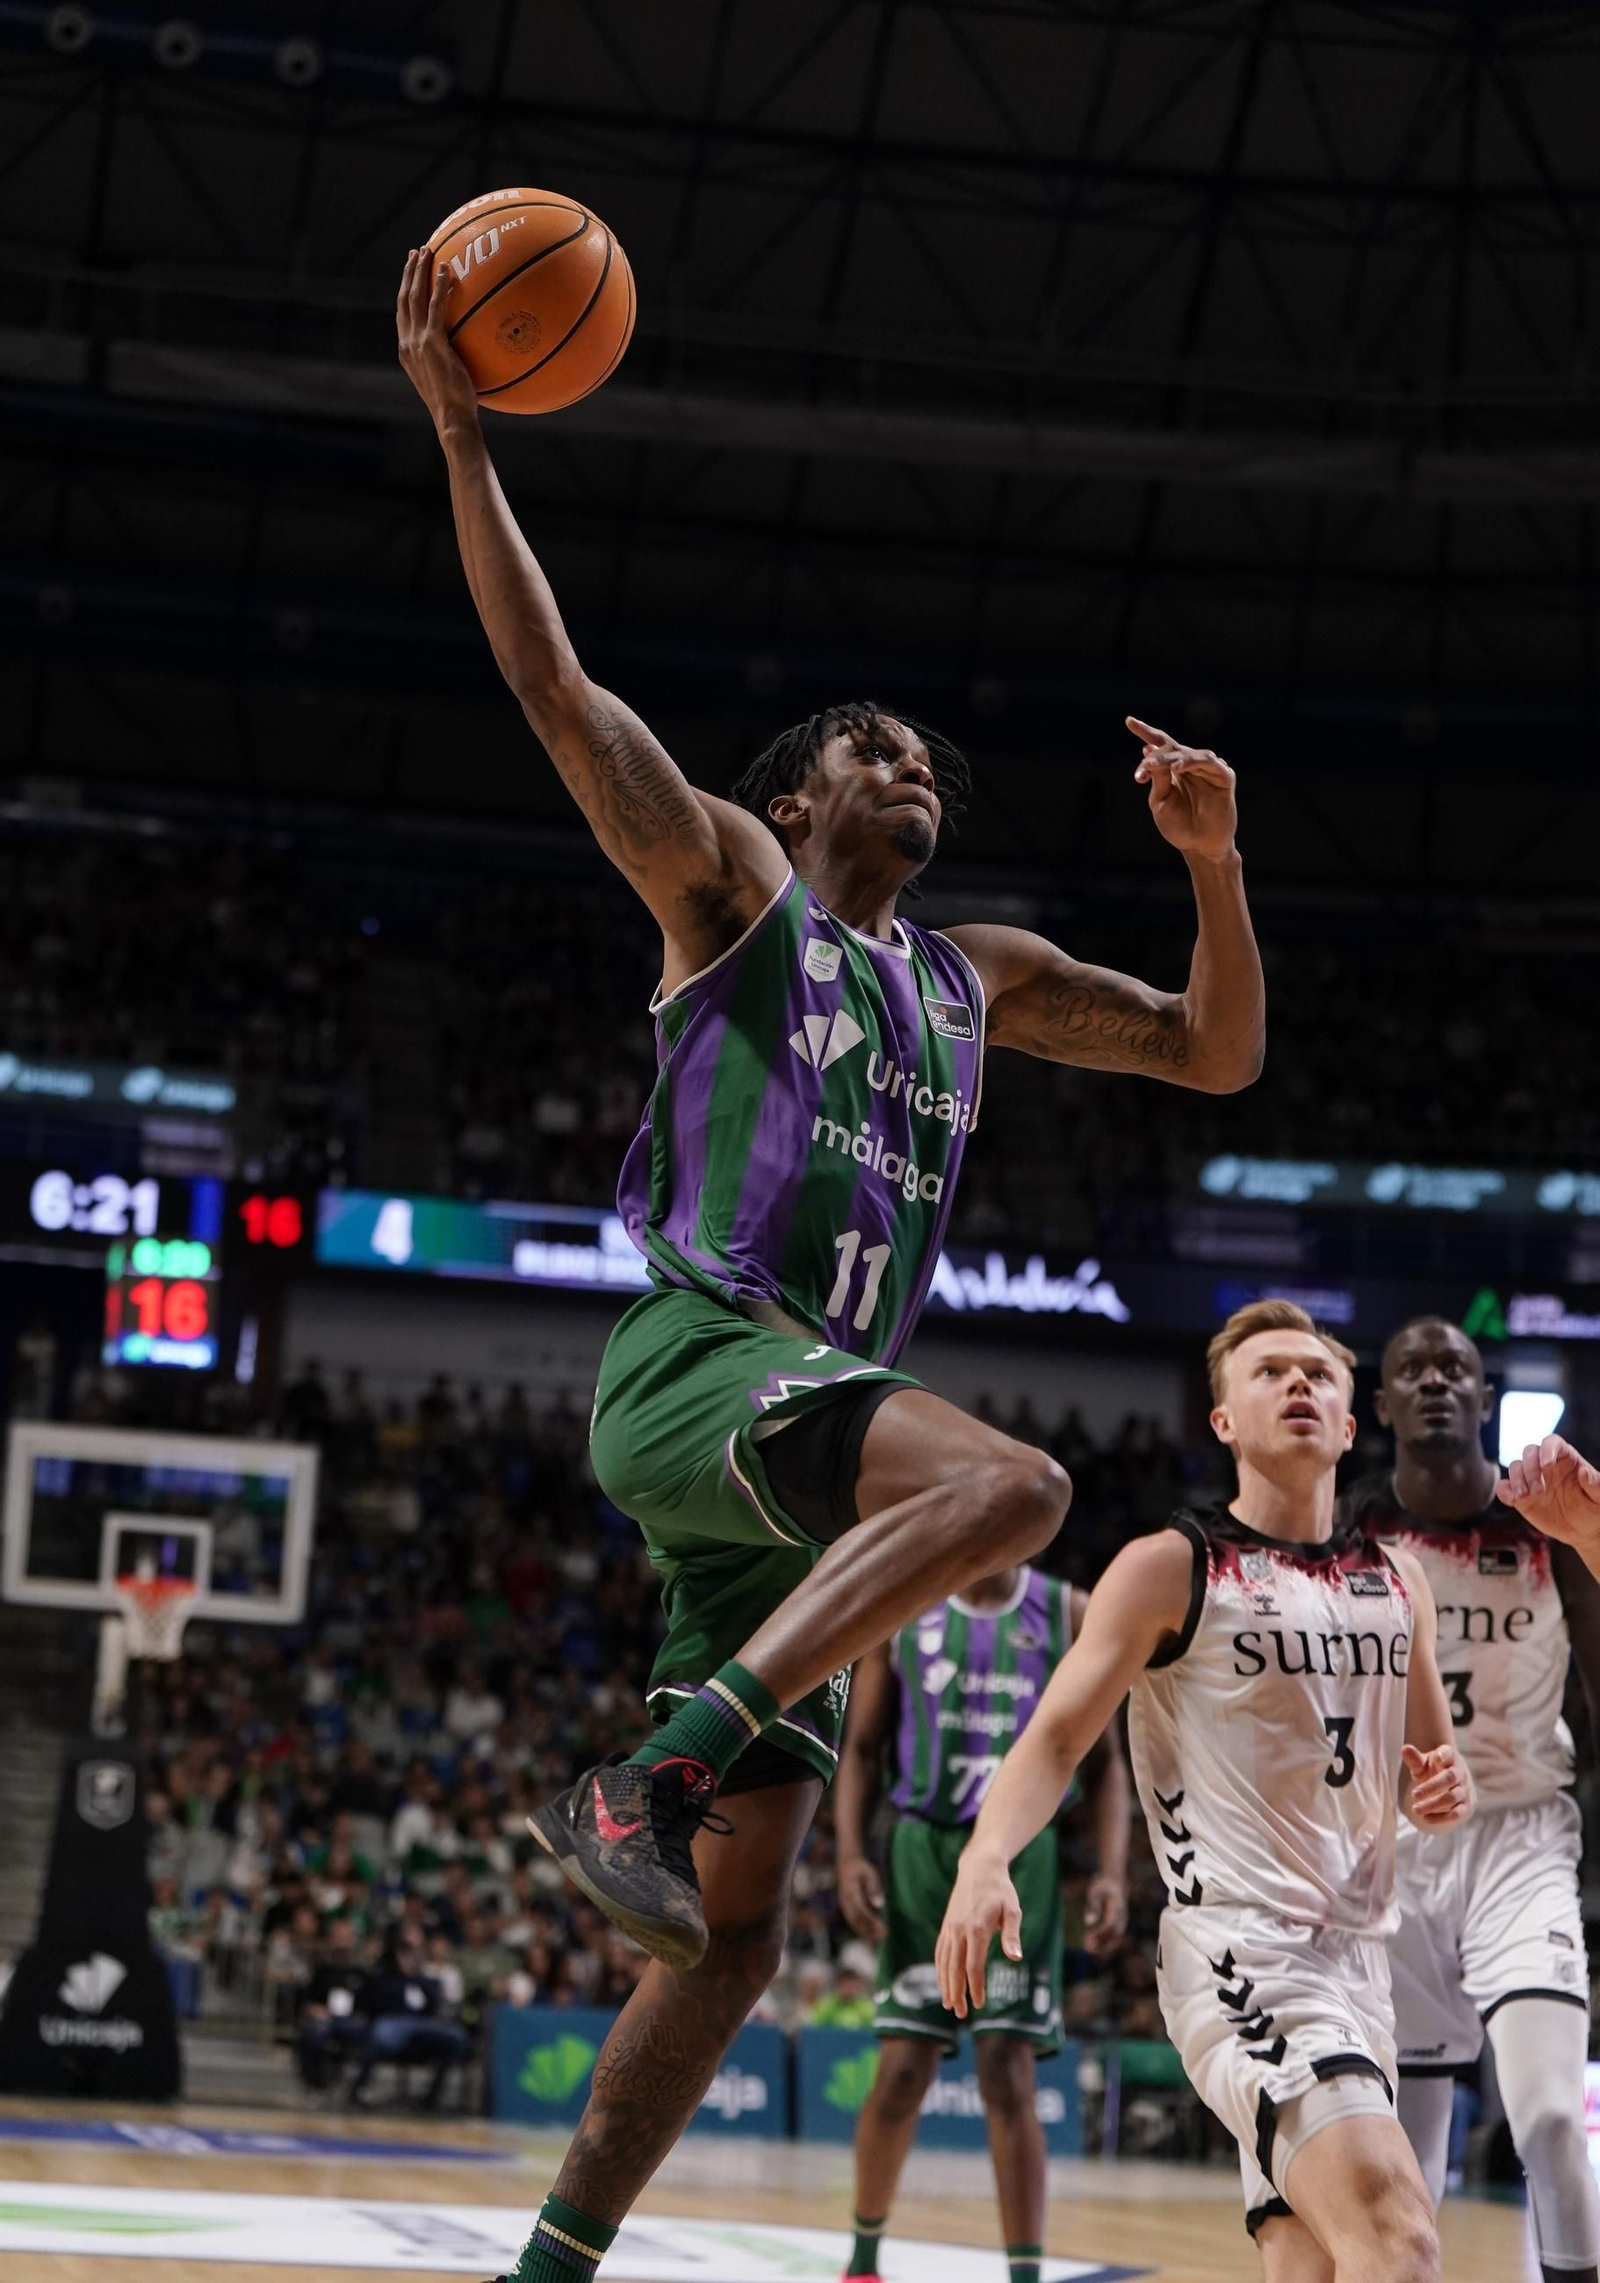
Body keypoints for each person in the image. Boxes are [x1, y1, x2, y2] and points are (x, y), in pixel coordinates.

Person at [397, 247, 1264, 2283]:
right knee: (1014, 1489)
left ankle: (549, 2264)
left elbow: (1213, 1051)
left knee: (738, 1925)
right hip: (703, 1356)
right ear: (795, 796)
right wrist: (461, 434)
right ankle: (656, 1754)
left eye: (929, 764)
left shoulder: (977, 980)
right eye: (878, 753)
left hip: (788, 1476)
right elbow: (550, 689)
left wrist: (1211, 865)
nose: (918, 772)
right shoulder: (729, 885)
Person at [937, 1301, 1471, 2283]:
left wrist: (1440, 1792)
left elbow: (1431, 1771)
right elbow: (1056, 1736)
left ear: (1352, 1425)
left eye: (1317, 1372)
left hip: (1362, 1964)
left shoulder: (1399, 1582)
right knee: (1399, 2237)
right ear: (1221, 1420)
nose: (1298, 1383)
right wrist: (984, 1858)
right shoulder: (1169, 1569)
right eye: (1268, 1372)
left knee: (1314, 2265)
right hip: (1240, 1953)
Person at [1346, 1321, 1600, 2283]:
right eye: (1411, 1368)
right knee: (1412, 2165)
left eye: (1456, 1368)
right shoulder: (1349, 1525)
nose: (1436, 1382)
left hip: (1522, 1834)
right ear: (1383, 1404)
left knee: (1543, 2116)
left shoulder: (1546, 1517)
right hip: (1398, 1843)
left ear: (1486, 1396)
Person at [834, 1564, 1129, 2283]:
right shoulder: (907, 1607)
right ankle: (863, 2259)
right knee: (903, 2066)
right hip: (921, 1850)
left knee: (1007, 2067)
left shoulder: (1068, 1611)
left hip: (1019, 1856)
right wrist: (848, 1854)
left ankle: (1024, 2272)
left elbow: (1107, 1760)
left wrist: (1113, 1870)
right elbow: (864, 1748)